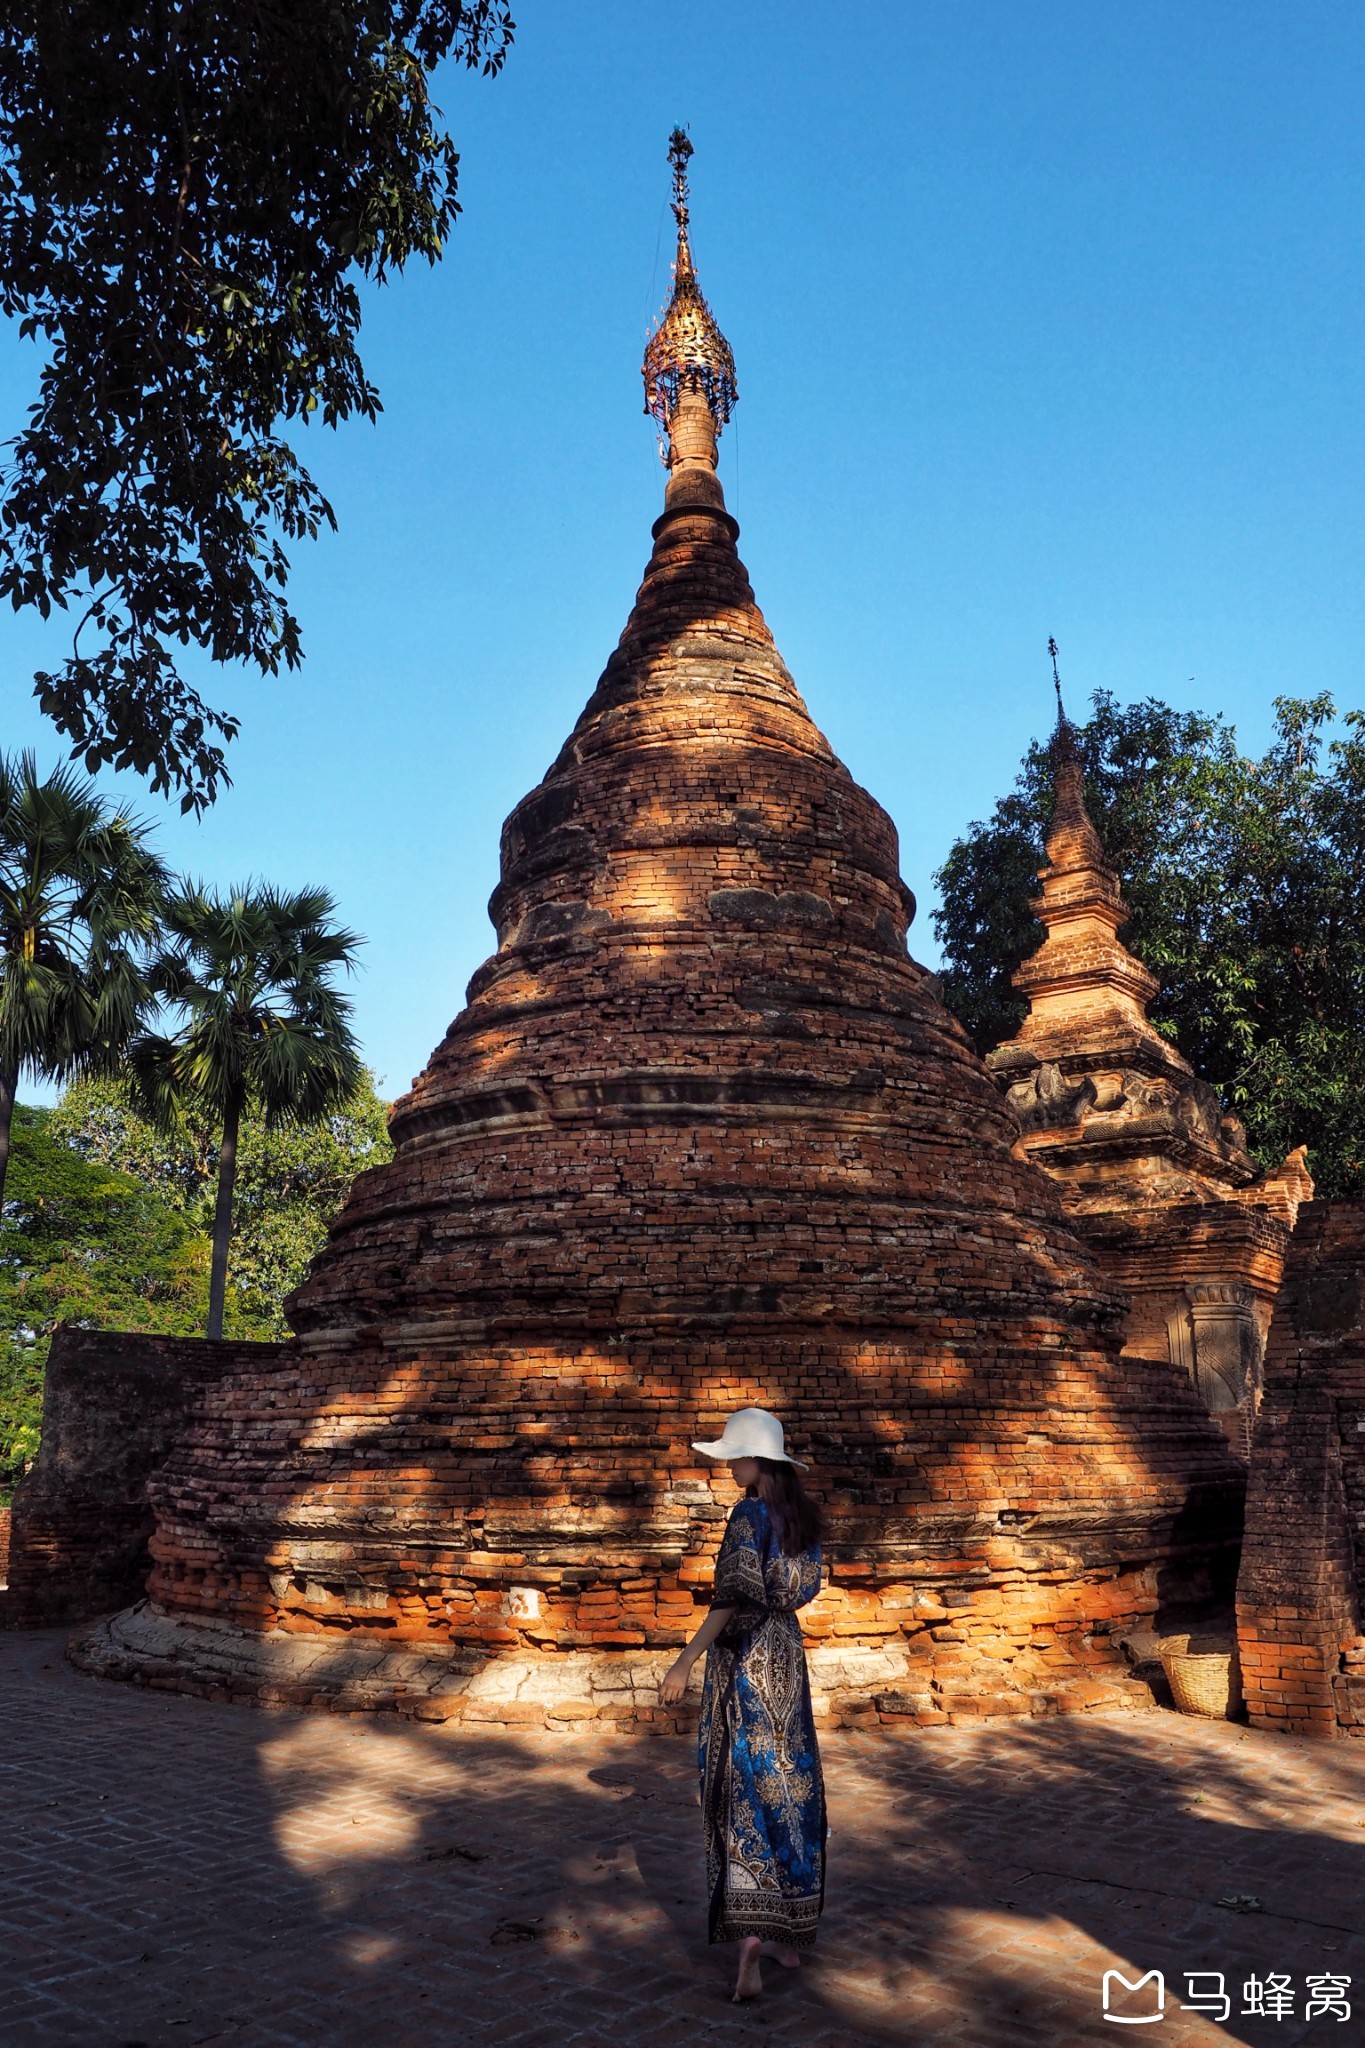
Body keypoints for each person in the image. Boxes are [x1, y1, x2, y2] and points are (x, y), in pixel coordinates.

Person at [659, 1406, 826, 2002]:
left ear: (756, 1462)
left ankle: (750, 1936)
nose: (729, 1466)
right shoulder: (801, 1516)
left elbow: (727, 1601)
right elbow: (804, 1587)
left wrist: (683, 1661)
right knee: (790, 1784)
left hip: (744, 1662)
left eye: (735, 1457)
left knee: (743, 1787)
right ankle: (785, 1934)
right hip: (786, 1656)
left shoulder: (747, 1515)